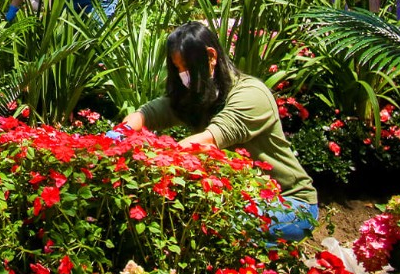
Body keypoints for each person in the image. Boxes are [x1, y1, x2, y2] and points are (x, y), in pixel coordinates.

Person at [114, 22, 318, 241]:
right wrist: (118, 135)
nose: (183, 75)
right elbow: (152, 112)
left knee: (216, 222)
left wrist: (152, 162)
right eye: (178, 69)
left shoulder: (251, 95)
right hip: (244, 197)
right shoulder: (199, 92)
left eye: (186, 67)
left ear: (211, 56)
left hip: (291, 204)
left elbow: (207, 141)